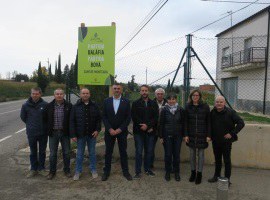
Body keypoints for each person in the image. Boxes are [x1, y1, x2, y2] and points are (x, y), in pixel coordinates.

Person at [208, 96, 245, 184]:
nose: (219, 104)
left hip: (226, 142)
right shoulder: (212, 112)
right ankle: (216, 176)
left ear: (224, 103)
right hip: (216, 141)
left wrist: (232, 133)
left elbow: (241, 123)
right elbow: (209, 125)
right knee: (217, 160)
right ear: (215, 103)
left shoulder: (231, 112)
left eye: (221, 102)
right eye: (217, 102)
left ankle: (227, 179)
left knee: (227, 161)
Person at [102, 83, 132, 181]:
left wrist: (120, 129)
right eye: (115, 88)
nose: (116, 90)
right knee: (108, 152)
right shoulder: (106, 101)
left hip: (122, 132)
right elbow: (104, 116)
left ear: (121, 90)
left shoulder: (126, 102)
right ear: (112, 90)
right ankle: (106, 172)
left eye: (118, 89)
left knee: (123, 152)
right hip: (109, 132)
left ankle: (126, 172)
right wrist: (110, 129)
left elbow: (128, 118)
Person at [70, 88, 101, 181]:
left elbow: (99, 120)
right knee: (79, 154)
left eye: (87, 93)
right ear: (80, 94)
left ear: (89, 94)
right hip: (80, 135)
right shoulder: (75, 107)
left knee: (92, 153)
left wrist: (97, 130)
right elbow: (72, 121)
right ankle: (78, 171)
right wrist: (73, 135)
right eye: (83, 93)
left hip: (92, 134)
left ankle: (93, 169)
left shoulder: (95, 106)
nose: (85, 95)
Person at [131, 85, 159, 179]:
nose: (144, 92)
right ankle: (138, 172)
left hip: (150, 132)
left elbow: (156, 117)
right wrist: (143, 126)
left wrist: (148, 126)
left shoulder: (153, 103)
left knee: (149, 151)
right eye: (142, 90)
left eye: (146, 90)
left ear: (148, 92)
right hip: (138, 132)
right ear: (140, 92)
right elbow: (134, 117)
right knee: (139, 152)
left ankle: (147, 169)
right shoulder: (135, 103)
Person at [45, 88, 72, 180]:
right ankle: (52, 172)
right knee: (52, 154)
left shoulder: (69, 106)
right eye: (57, 94)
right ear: (54, 95)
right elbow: (45, 119)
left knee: (67, 153)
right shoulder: (49, 106)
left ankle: (67, 170)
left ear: (63, 95)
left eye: (61, 94)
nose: (59, 95)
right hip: (53, 133)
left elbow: (72, 120)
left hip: (65, 133)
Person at [20, 87, 48, 178]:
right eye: (33, 93)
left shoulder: (45, 105)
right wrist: (31, 125)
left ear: (40, 94)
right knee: (33, 152)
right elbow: (23, 117)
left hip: (43, 133)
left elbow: (47, 118)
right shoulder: (25, 105)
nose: (35, 95)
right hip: (31, 133)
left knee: (42, 152)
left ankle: (41, 168)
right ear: (31, 94)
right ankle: (33, 169)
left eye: (37, 93)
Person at [184, 89, 211, 184]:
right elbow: (185, 122)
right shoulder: (187, 106)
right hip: (191, 135)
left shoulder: (205, 106)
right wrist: (186, 134)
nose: (195, 97)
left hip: (202, 135)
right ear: (191, 97)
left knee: (200, 155)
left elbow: (208, 122)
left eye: (197, 95)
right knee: (192, 155)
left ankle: (199, 174)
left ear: (200, 97)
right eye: (193, 95)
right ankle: (193, 173)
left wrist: (208, 135)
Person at [158, 93, 185, 181]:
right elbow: (161, 124)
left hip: (178, 136)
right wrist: (161, 136)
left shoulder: (180, 109)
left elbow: (183, 123)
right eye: (169, 99)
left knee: (176, 155)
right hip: (167, 136)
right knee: (168, 154)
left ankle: (176, 172)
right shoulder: (164, 110)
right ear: (167, 100)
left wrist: (184, 135)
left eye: (173, 99)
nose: (171, 101)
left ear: (176, 100)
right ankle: (168, 172)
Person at [151, 88, 167, 169]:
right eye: (158, 94)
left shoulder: (168, 103)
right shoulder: (151, 103)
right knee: (151, 148)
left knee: (167, 149)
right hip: (153, 129)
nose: (160, 95)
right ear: (155, 95)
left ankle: (167, 166)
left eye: (161, 94)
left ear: (163, 95)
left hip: (164, 130)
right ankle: (150, 165)